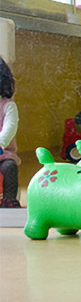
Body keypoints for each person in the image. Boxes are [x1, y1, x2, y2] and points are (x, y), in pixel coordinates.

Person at [0, 57, 19, 208]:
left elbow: (10, 126)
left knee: (9, 167)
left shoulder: (7, 106)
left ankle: (9, 199)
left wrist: (0, 143)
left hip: (2, 153)